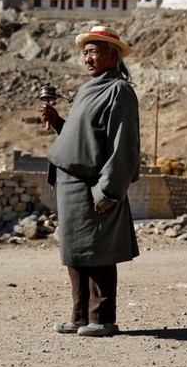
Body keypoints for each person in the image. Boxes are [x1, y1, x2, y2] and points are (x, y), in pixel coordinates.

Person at [40, 25, 141, 337]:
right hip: (69, 185)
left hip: (93, 184)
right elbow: (84, 137)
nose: (87, 57)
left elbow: (122, 145)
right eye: (85, 52)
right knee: (75, 252)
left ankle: (103, 318)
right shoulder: (87, 90)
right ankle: (80, 316)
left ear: (113, 55)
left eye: (94, 51)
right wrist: (58, 123)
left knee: (98, 252)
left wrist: (109, 191)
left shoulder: (119, 91)